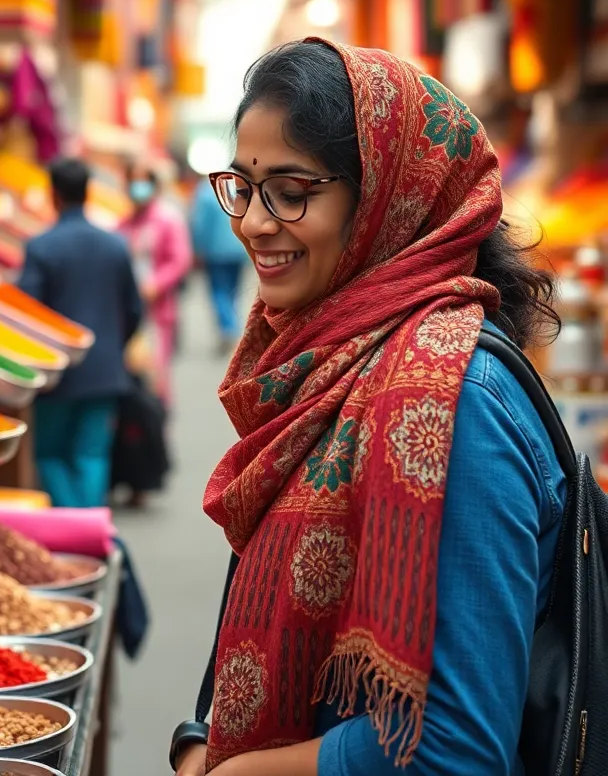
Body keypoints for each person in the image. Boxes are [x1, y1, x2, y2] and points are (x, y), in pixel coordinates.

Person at [171, 39, 562, 776]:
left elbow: (456, 750)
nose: (253, 222)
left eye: (291, 191)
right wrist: (202, 739)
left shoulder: (451, 403)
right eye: (244, 187)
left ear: (388, 198)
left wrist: (235, 772)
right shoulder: (329, 370)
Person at [18, 157, 142, 509]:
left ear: (53, 195)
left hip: (58, 372)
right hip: (104, 369)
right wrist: (114, 347)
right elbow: (134, 309)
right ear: (87, 192)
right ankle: (92, 522)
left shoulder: (41, 248)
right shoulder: (115, 245)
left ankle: (75, 519)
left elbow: (28, 312)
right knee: (92, 454)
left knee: (50, 454)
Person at [119, 160, 193, 405]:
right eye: (133, 182)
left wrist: (155, 285)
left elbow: (180, 259)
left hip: (157, 313)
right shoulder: (124, 223)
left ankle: (156, 428)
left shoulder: (168, 219)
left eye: (143, 182)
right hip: (128, 313)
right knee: (133, 374)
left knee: (156, 377)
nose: (137, 188)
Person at [190, 174, 246, 352]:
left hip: (216, 253)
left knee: (220, 292)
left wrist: (198, 249)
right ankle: (233, 326)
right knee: (232, 291)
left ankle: (229, 329)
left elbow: (200, 226)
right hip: (238, 249)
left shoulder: (205, 193)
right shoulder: (234, 187)